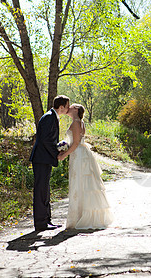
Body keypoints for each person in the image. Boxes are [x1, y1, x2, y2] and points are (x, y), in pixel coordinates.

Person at [58, 104, 114, 229]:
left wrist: (65, 154)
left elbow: (76, 142)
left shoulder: (77, 123)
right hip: (79, 153)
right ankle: (81, 215)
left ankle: (81, 217)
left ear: (76, 110)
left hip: (78, 155)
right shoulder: (79, 122)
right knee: (81, 183)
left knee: (79, 183)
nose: (68, 108)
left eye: (71, 107)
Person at [29, 95, 70, 231]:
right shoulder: (48, 117)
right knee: (41, 191)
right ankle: (41, 223)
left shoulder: (52, 116)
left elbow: (49, 140)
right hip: (41, 159)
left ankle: (46, 221)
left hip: (44, 158)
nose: (68, 109)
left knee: (45, 190)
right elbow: (46, 140)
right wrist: (57, 153)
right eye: (67, 106)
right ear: (61, 106)